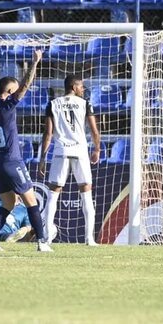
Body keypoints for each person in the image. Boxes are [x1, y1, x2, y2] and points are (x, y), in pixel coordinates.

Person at [0, 43, 51, 252]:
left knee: (8, 203)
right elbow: (25, 86)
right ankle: (42, 241)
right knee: (31, 202)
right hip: (11, 161)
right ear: (9, 91)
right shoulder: (6, 106)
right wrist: (35, 62)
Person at [38, 74, 101, 246]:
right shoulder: (85, 103)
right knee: (86, 193)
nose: (83, 89)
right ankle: (90, 239)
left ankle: (46, 237)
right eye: (81, 87)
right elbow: (94, 131)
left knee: (53, 195)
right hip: (80, 151)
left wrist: (43, 158)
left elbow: (48, 134)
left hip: (60, 151)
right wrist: (97, 149)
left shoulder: (53, 104)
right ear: (74, 87)